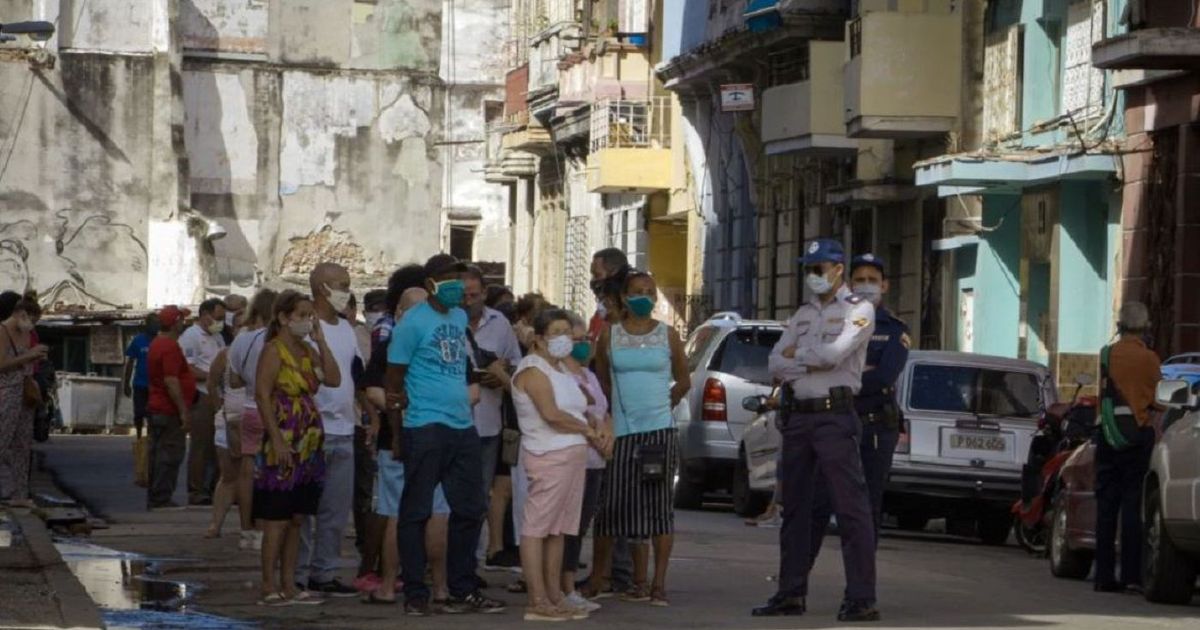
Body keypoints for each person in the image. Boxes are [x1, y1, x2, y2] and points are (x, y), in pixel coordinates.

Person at [753, 238, 879, 622]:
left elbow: (834, 355)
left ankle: (861, 598)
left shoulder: (859, 309)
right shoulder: (803, 313)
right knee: (795, 509)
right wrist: (804, 360)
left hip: (834, 416)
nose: (813, 275)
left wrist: (799, 356)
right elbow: (774, 362)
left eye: (819, 268)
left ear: (838, 269)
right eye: (809, 269)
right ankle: (790, 592)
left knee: (850, 509)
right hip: (798, 417)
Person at [385, 254, 505, 616]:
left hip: (462, 425)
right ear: (431, 284)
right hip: (424, 425)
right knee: (416, 511)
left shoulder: (457, 317)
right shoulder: (411, 324)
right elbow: (393, 382)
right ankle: (416, 594)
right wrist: (397, 433)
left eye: (460, 279)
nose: (458, 286)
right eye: (450, 279)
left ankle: (462, 588)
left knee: (470, 508)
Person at [591, 270, 690, 607]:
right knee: (612, 506)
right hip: (621, 432)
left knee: (658, 508)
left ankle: (656, 583)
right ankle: (602, 578)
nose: (643, 297)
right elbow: (602, 379)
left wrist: (664, 404)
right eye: (637, 291)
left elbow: (684, 380)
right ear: (624, 297)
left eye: (649, 291)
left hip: (659, 432)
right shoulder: (610, 335)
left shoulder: (668, 335)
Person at [807, 253, 909, 558]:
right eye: (860, 280)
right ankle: (796, 577)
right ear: (850, 285)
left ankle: (862, 579)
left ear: (884, 286)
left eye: (872, 281)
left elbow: (883, 376)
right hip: (833, 423)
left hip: (874, 427)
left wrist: (838, 373)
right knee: (817, 502)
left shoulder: (894, 330)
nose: (866, 286)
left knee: (865, 505)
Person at [363, 285, 453, 605]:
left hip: (401, 440)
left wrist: (402, 405)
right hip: (435, 436)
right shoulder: (445, 344)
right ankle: (439, 586)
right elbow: (467, 391)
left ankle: (390, 586)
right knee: (436, 511)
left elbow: (373, 391)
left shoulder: (393, 346)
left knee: (398, 513)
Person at [511, 309, 603, 621]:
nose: (565, 339)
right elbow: (551, 414)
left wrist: (593, 423)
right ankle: (537, 598)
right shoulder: (533, 371)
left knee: (558, 530)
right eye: (556, 333)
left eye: (567, 332)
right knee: (538, 528)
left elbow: (583, 404)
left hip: (571, 457)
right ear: (538, 339)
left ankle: (554, 595)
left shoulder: (561, 368)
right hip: (549, 456)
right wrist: (587, 430)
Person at [253, 290, 340, 606]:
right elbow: (262, 395)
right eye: (301, 315)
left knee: (296, 518)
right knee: (277, 517)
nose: (306, 321)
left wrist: (321, 341)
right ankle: (268, 584)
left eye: (309, 316)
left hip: (308, 437)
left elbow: (333, 379)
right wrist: (276, 439)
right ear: (283, 318)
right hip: (284, 431)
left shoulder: (307, 350)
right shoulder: (273, 351)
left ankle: (290, 583)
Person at [294, 263, 363, 597]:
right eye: (341, 284)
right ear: (322, 288)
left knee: (335, 510)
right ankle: (298, 572)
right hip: (311, 429)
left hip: (344, 428)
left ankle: (325, 572)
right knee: (303, 509)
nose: (346, 291)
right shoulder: (306, 328)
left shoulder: (347, 329)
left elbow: (353, 375)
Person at [1093, 301, 1161, 594]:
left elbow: (1103, 394)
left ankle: (1103, 576)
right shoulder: (1150, 359)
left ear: (1120, 326)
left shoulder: (1106, 354)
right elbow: (1159, 400)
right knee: (1133, 505)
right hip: (1137, 436)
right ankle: (1131, 574)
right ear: (1145, 328)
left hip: (1107, 434)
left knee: (1106, 506)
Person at [463, 266, 522, 543]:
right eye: (464, 295)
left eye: (474, 295)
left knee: (480, 494)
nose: (468, 301)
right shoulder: (447, 322)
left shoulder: (500, 324)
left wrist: (502, 373)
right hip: (452, 421)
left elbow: (517, 364)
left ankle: (470, 556)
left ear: (485, 293)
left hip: (488, 423)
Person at [560, 312, 612, 613]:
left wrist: (608, 438)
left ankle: (568, 585)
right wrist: (596, 435)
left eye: (586, 339)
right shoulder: (560, 375)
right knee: (566, 526)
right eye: (576, 340)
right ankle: (562, 586)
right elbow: (576, 414)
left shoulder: (589, 375)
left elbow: (603, 411)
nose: (583, 345)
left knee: (580, 526)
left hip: (595, 461)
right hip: (573, 458)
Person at [226, 289, 279, 551]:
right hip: (274, 409)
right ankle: (264, 527)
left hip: (248, 408)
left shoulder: (241, 339)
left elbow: (234, 380)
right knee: (272, 471)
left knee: (246, 472)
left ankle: (246, 530)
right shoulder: (276, 339)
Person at [144, 306, 195, 511]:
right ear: (175, 323)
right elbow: (171, 380)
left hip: (158, 406)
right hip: (168, 409)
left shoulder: (157, 343)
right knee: (169, 454)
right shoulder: (169, 346)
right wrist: (183, 410)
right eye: (181, 320)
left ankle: (157, 496)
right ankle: (161, 497)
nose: (184, 323)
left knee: (158, 454)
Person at [0, 298, 48, 507]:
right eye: (31, 320)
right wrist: (28, 355)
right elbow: (2, 364)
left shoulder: (26, 334)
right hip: (7, 393)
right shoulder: (3, 331)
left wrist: (35, 357)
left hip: (25, 393)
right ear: (21, 314)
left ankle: (19, 494)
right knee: (3, 442)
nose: (32, 325)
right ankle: (7, 491)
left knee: (22, 445)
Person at [180, 297, 227, 506]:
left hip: (219, 394)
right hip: (202, 395)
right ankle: (196, 490)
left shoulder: (218, 337)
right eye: (217, 318)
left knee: (217, 446)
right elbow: (189, 369)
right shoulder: (191, 337)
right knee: (201, 445)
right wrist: (212, 377)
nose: (220, 322)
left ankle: (214, 488)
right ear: (205, 315)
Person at [123, 314, 159, 439]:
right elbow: (130, 362)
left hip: (156, 386)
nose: (156, 326)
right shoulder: (138, 340)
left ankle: (150, 438)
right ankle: (139, 436)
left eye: (158, 323)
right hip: (140, 384)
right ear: (147, 324)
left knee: (152, 414)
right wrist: (126, 383)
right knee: (139, 413)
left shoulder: (161, 341)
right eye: (153, 323)